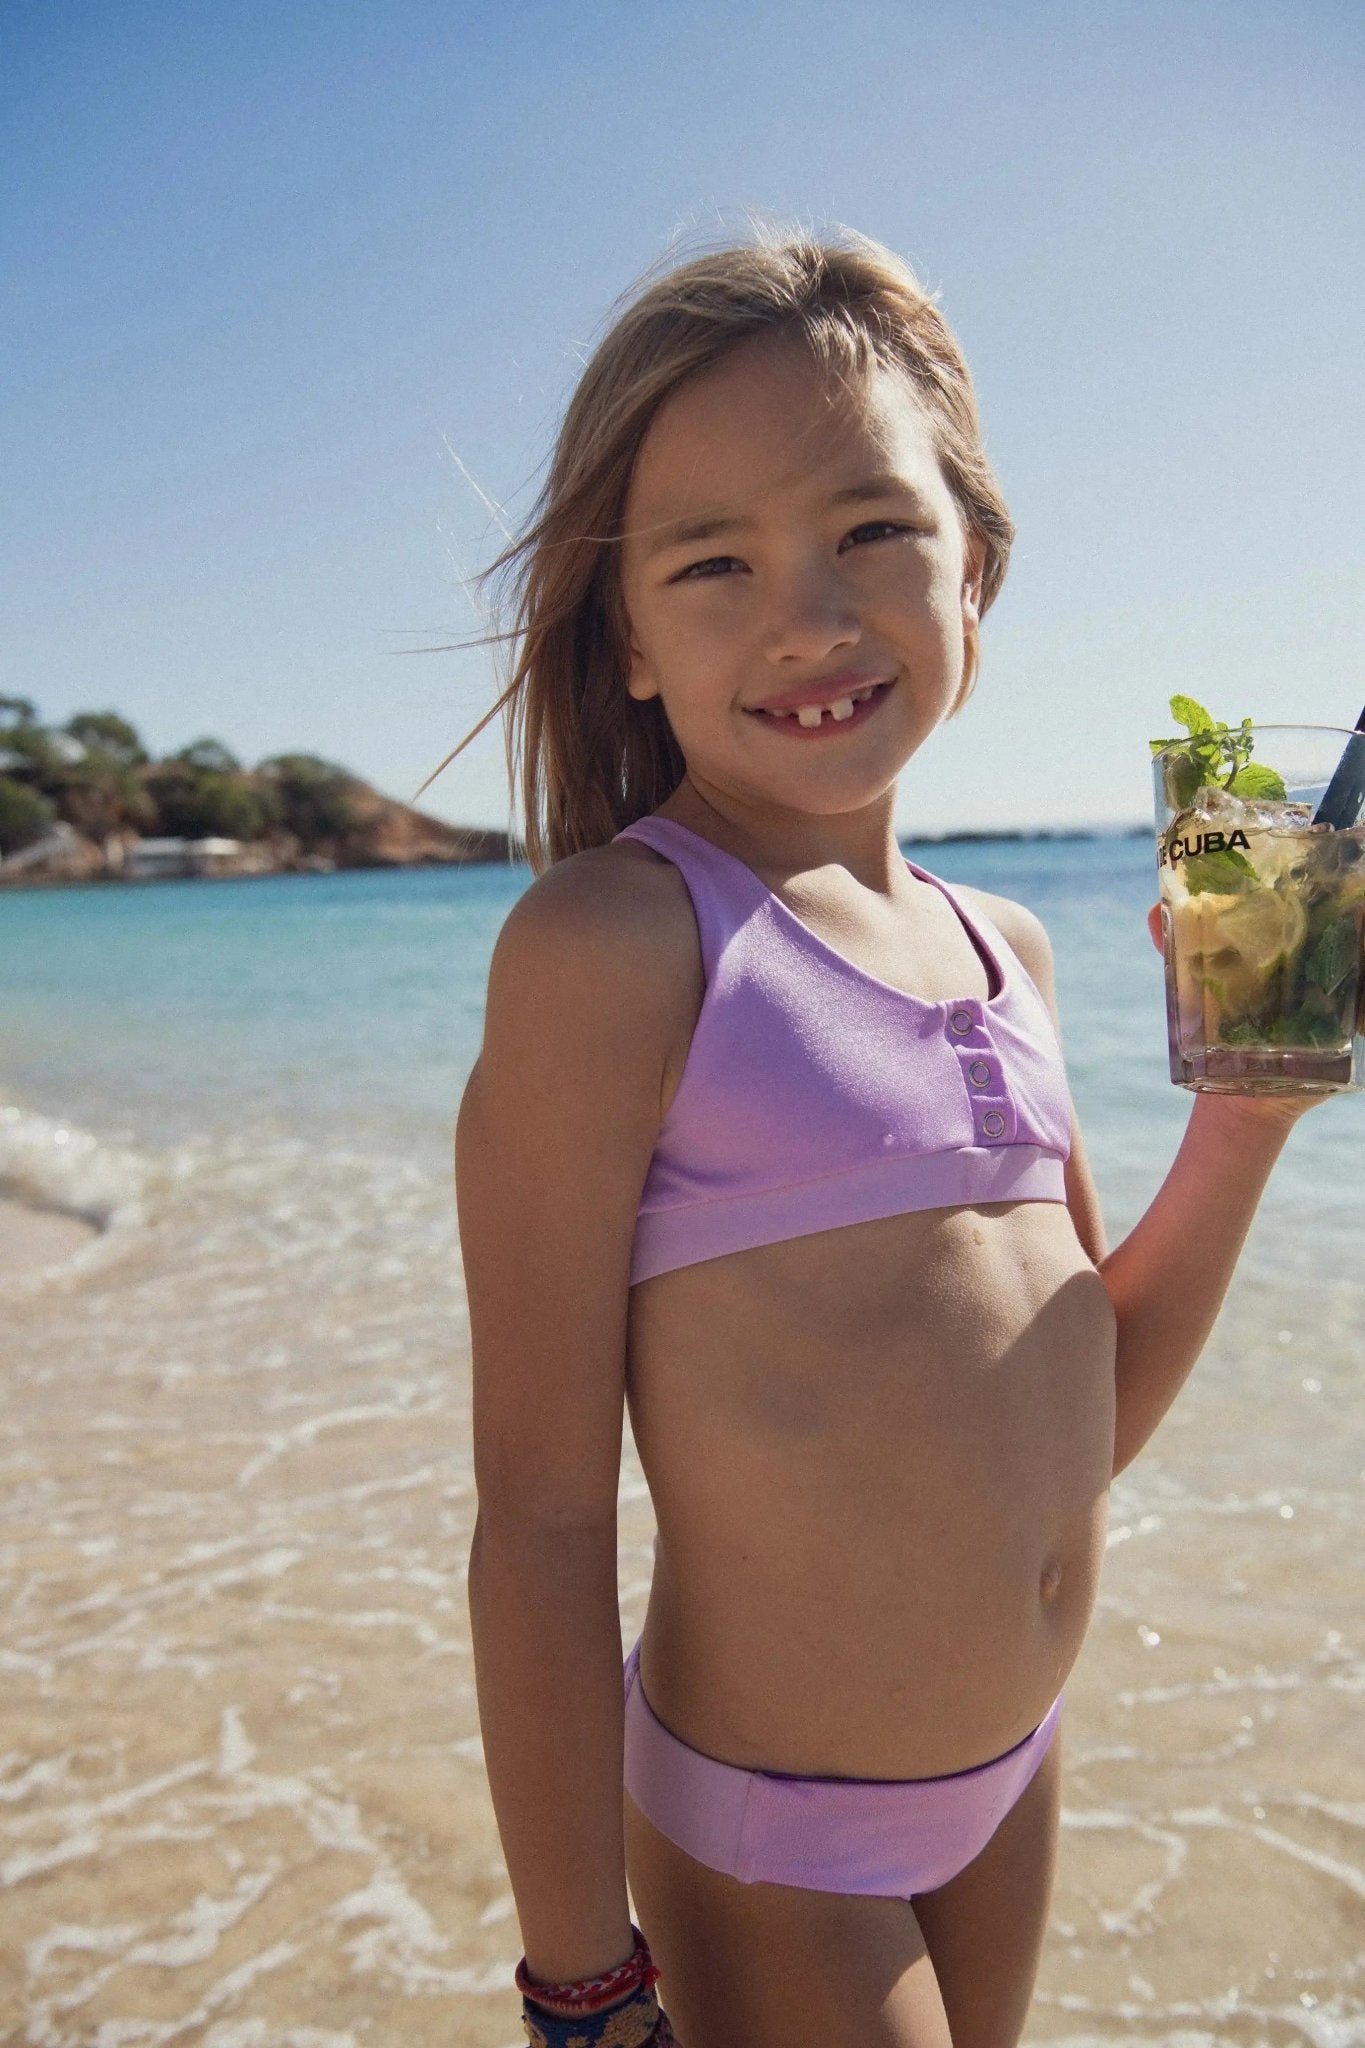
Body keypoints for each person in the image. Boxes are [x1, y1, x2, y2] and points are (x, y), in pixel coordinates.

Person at [451, 228, 1326, 2048]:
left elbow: (1076, 1418)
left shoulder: (1005, 947)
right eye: (714, 561)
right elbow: (539, 1512)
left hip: (1010, 1777)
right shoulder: (621, 946)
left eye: (870, 530)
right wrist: (579, 1976)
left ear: (972, 569)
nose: (809, 618)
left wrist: (1241, 1125)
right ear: (626, 636)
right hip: (775, 1838)